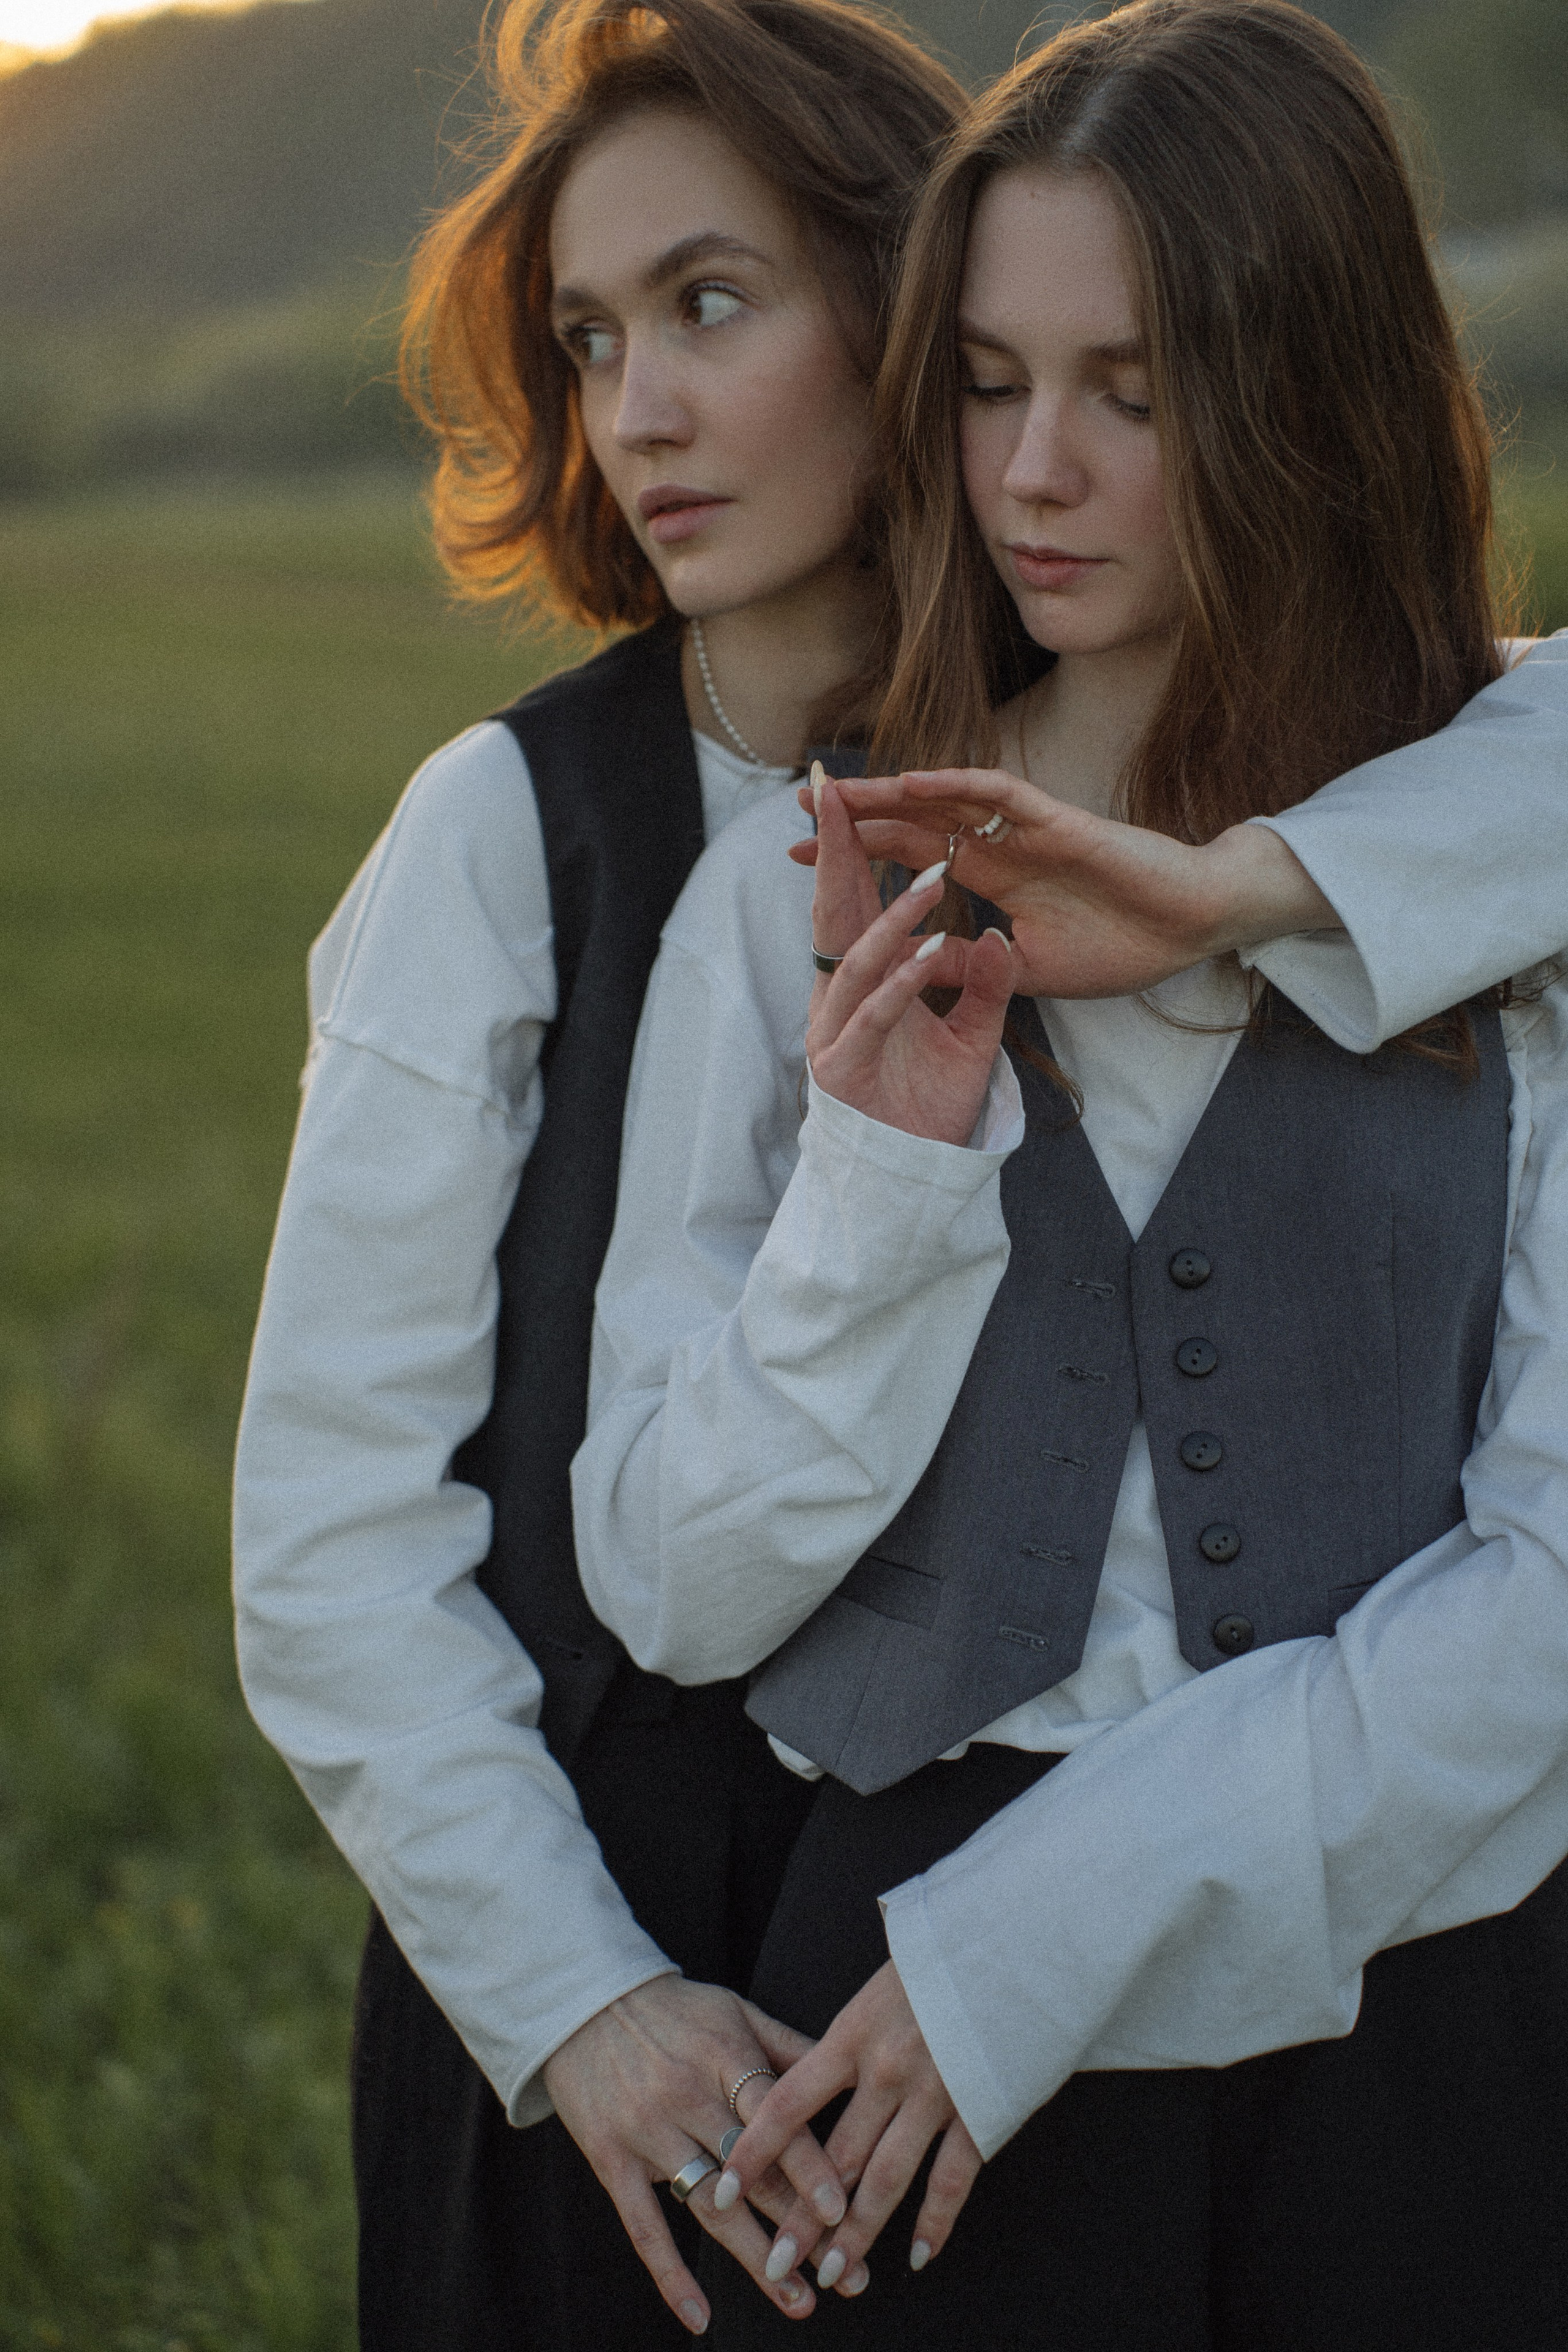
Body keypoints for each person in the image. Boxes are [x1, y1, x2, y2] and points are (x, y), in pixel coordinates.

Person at [571, 4, 1568, 2343]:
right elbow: (670, 1592)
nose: (1039, 471)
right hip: (887, 2012)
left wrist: (1059, 1923)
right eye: (991, 382)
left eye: (1136, 386)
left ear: (1313, 395)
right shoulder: (783, 902)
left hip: (1425, 1986)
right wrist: (879, 1195)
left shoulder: (1513, 902)